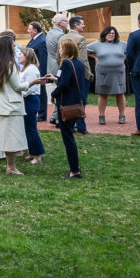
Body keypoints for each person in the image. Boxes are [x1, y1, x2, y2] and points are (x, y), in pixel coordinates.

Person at [0, 36, 49, 174]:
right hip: (11, 105)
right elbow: (17, 86)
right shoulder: (10, 64)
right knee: (10, 138)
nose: (16, 48)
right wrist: (33, 82)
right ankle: (11, 167)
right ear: (8, 48)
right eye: (14, 46)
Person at [51, 38, 87, 179]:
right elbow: (69, 80)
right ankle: (75, 169)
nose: (59, 50)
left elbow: (64, 84)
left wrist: (54, 94)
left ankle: (74, 170)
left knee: (67, 137)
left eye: (60, 48)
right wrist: (56, 79)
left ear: (65, 49)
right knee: (69, 134)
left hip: (66, 104)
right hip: (76, 102)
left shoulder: (66, 63)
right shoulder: (78, 63)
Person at [86, 26, 127, 125]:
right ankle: (101, 116)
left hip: (118, 72)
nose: (111, 35)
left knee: (120, 93)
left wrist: (124, 58)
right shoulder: (97, 44)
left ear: (115, 34)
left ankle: (122, 116)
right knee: (102, 94)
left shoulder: (122, 44)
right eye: (109, 33)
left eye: (113, 33)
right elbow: (84, 50)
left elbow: (131, 51)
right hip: (103, 72)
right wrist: (94, 57)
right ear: (104, 34)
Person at [19, 48, 46, 164]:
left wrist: (20, 94)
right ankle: (32, 152)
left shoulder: (31, 70)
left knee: (31, 128)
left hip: (30, 100)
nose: (18, 55)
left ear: (27, 56)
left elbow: (32, 87)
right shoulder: (26, 69)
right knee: (27, 127)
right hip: (27, 99)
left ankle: (37, 155)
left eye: (20, 54)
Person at [26, 22, 49, 121]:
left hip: (38, 73)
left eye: (29, 29)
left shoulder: (42, 41)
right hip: (32, 71)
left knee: (41, 93)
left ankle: (42, 114)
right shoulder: (35, 40)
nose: (28, 31)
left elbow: (43, 60)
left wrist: (43, 77)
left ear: (35, 31)